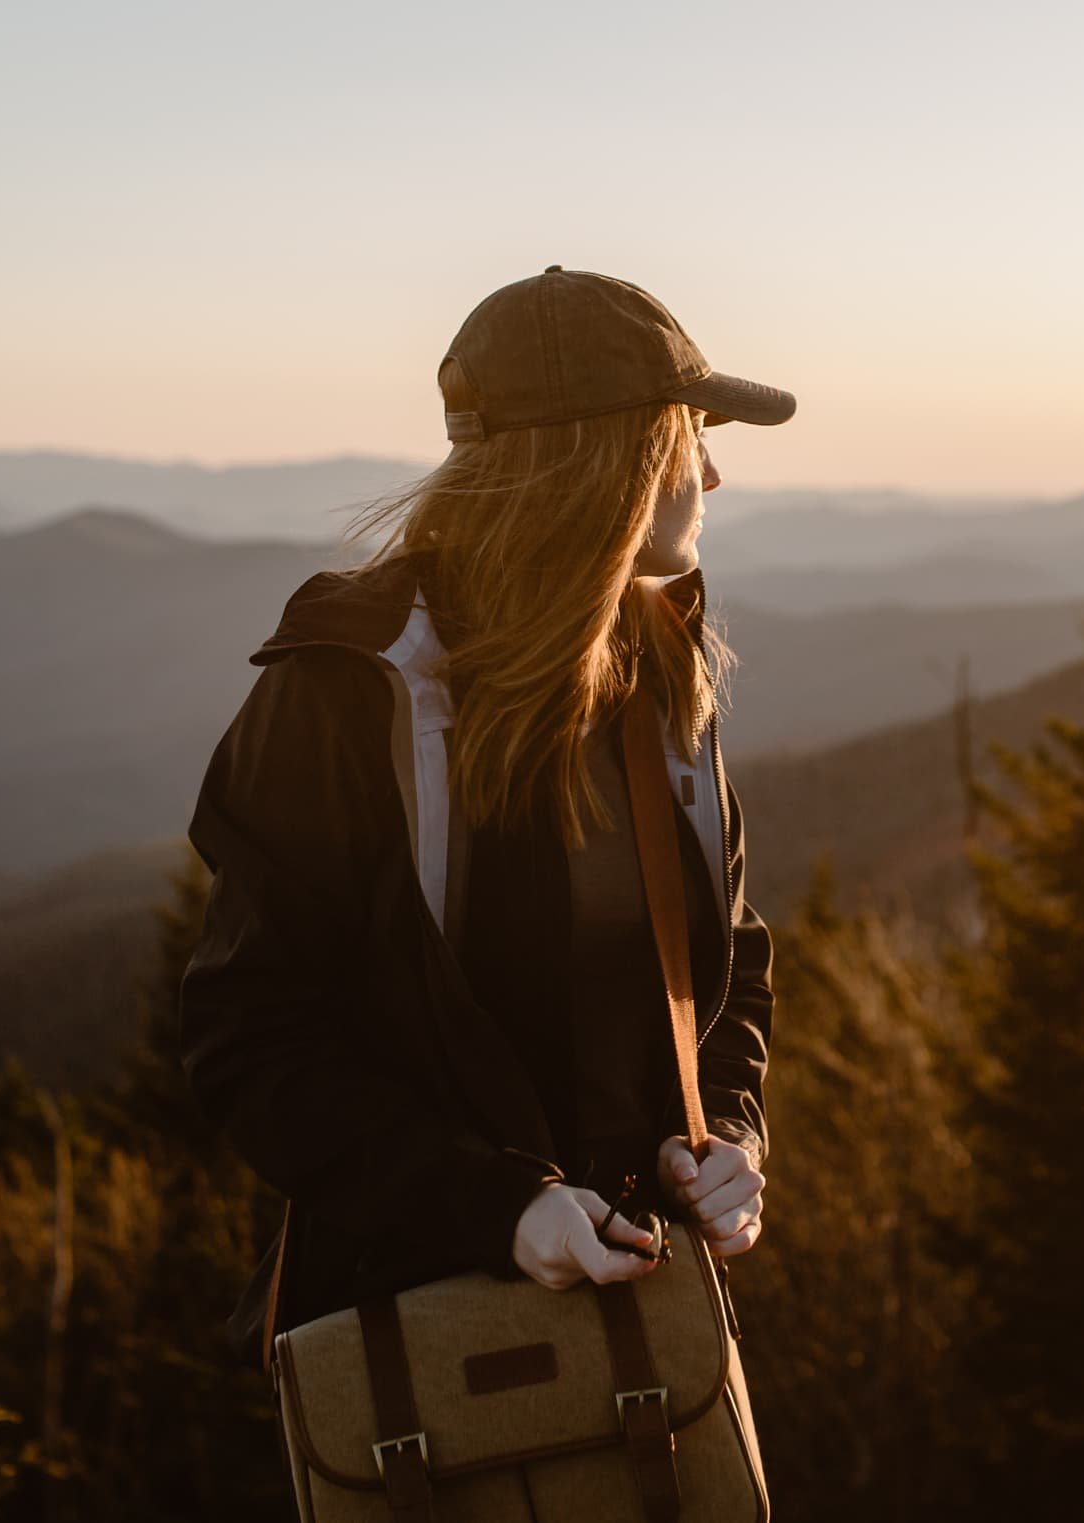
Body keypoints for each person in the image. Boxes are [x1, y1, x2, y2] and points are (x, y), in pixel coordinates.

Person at [178, 265, 794, 1369]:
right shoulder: (347, 691)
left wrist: (730, 1134)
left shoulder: (656, 674)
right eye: (685, 435)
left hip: (649, 1324)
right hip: (421, 1346)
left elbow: (731, 963)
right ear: (609, 461)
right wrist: (496, 1208)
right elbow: (251, 1040)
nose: (711, 469)